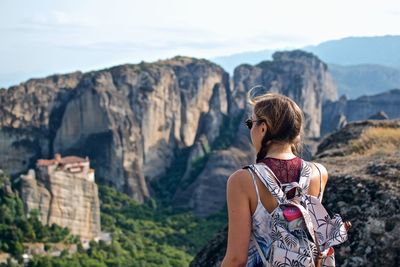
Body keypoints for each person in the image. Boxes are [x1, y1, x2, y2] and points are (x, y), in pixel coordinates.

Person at [220, 91, 329, 267]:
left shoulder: (243, 180)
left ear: (263, 128)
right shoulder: (319, 173)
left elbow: (236, 259)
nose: (250, 129)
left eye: (251, 123)